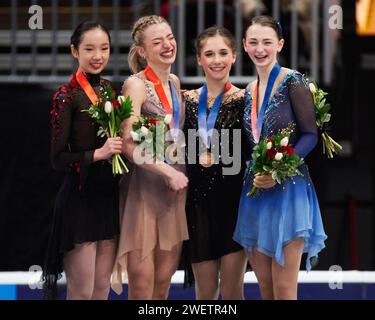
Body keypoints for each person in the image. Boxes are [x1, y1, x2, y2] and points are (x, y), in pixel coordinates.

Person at [233, 15, 327, 300]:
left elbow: (311, 134)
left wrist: (279, 171)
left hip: (289, 191)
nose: (260, 48)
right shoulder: (249, 90)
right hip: (256, 191)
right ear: (245, 46)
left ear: (280, 44)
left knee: (285, 291)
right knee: (266, 290)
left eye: (267, 42)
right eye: (254, 42)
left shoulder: (292, 81)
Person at [111, 15, 189, 300]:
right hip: (144, 190)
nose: (168, 45)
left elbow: (172, 134)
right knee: (142, 287)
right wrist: (168, 172)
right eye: (158, 42)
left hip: (174, 190)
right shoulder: (136, 84)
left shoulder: (174, 81)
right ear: (142, 51)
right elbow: (128, 145)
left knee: (163, 284)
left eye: (169, 37)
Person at [43, 21, 121, 300]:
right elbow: (57, 159)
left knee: (101, 291)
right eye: (89, 49)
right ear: (75, 51)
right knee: (82, 294)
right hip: (79, 199)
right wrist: (98, 154)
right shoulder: (66, 96)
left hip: (107, 197)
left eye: (104, 48)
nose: (97, 55)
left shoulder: (109, 90)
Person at [183, 26, 248, 300]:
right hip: (198, 205)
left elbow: (251, 150)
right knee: (205, 293)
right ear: (199, 59)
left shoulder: (246, 100)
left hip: (234, 202)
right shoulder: (185, 100)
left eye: (223, 53)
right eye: (209, 54)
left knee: (233, 292)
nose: (216, 60)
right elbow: (174, 148)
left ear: (234, 56)